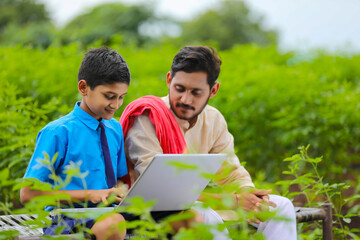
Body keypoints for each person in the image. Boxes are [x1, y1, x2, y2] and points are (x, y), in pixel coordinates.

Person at [20, 47, 202, 240]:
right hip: (69, 218)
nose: (116, 105)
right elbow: (28, 194)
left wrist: (135, 196)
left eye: (121, 97)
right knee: (114, 225)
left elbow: (119, 181)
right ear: (83, 88)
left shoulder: (114, 128)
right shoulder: (58, 132)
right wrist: (90, 195)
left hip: (112, 214)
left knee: (191, 218)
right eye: (109, 96)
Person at [120, 46, 297, 240]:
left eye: (196, 92)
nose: (185, 100)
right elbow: (163, 193)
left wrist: (250, 196)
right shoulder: (148, 117)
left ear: (213, 90)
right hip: (154, 212)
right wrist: (235, 201)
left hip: (199, 204)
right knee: (204, 216)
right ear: (169, 80)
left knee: (281, 207)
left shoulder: (213, 119)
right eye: (179, 89)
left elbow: (231, 173)